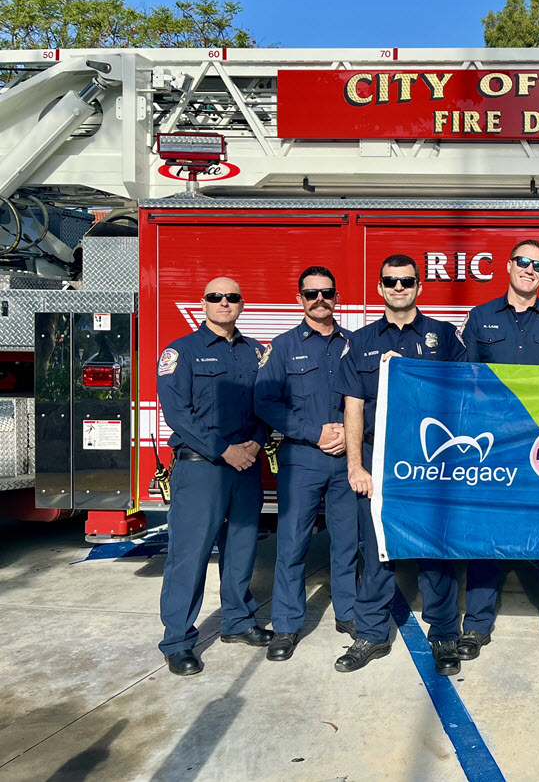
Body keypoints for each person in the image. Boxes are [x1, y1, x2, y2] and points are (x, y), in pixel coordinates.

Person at [333, 254, 467, 674]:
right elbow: (353, 407)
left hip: (430, 462)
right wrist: (356, 466)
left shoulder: (444, 338)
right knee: (376, 556)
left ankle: (444, 636)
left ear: (418, 287)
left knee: (436, 554)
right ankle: (371, 636)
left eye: (406, 282)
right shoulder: (362, 340)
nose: (398, 288)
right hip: (379, 461)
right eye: (390, 281)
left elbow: (464, 398)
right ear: (379, 288)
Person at [460, 239, 539, 661]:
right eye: (524, 262)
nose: (531, 269)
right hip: (491, 450)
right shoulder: (480, 318)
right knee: (486, 534)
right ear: (509, 266)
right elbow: (466, 383)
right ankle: (476, 625)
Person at [156, 277, 272, 676]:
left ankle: (237, 622)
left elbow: (266, 404)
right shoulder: (180, 352)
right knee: (190, 555)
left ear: (242, 304)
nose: (224, 302)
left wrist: (254, 445)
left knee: (241, 549)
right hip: (202, 467)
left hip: (246, 466)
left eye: (232, 297)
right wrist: (225, 449)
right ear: (202, 303)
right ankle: (177, 640)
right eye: (215, 297)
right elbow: (178, 414)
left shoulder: (257, 352)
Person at [254, 266, 357, 661]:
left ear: (336, 297)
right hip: (303, 460)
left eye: (327, 292)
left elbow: (368, 395)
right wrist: (314, 432)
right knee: (293, 543)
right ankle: (286, 624)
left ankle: (347, 612)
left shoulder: (354, 344)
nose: (320, 299)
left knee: (347, 541)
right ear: (299, 299)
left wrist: (350, 434)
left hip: (348, 459)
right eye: (311, 293)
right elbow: (264, 402)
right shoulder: (280, 348)